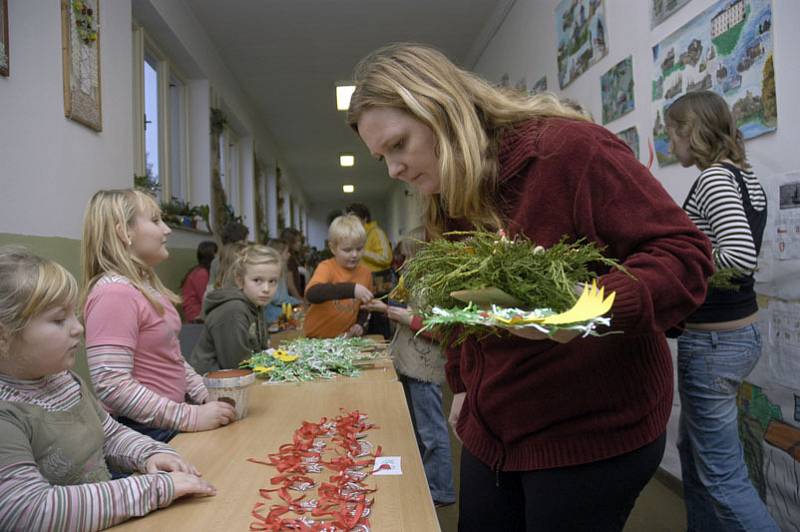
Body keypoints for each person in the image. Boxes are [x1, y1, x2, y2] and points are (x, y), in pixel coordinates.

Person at [347, 44, 713, 531]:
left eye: (398, 145)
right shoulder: (447, 195)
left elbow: (684, 258)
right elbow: (460, 309)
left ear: (441, 109)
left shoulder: (570, 149)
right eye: (381, 158)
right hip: (495, 425)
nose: (393, 169)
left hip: (591, 429)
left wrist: (584, 308)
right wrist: (462, 386)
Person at [0, 246, 216, 531]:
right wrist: (152, 490)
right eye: (57, 320)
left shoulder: (64, 380)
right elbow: (26, 510)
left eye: (73, 315)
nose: (78, 328)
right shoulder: (7, 413)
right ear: (4, 336)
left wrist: (149, 453)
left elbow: (109, 434)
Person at [666, 91, 777, 532]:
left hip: (715, 343)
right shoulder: (743, 176)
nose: (669, 141)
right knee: (694, 456)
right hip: (735, 336)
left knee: (723, 480)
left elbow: (739, 255)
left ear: (690, 131)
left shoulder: (713, 178)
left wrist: (679, 255)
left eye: (672, 131)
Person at [81, 189, 236, 443]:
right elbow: (112, 385)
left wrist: (204, 394)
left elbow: (171, 356)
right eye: (155, 221)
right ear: (124, 232)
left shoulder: (143, 286)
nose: (167, 230)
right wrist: (190, 417)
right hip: (141, 430)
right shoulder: (113, 293)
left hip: (164, 420)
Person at [365, 230, 456, 508]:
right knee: (418, 430)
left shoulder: (439, 285)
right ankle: (424, 482)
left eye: (407, 257)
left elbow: (443, 330)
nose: (402, 263)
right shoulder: (416, 281)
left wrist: (397, 314)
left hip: (425, 368)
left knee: (432, 432)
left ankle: (440, 490)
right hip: (410, 363)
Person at [188, 245, 279, 375]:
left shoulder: (255, 303)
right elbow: (237, 367)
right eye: (257, 280)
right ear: (240, 280)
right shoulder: (234, 311)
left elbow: (259, 351)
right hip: (211, 387)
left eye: (272, 281)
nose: (266, 288)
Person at [303, 214, 374, 339]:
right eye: (347, 250)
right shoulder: (326, 267)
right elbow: (311, 294)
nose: (354, 255)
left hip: (344, 338)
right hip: (316, 338)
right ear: (333, 248)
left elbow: (364, 306)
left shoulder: (365, 273)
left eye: (359, 249)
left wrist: (360, 324)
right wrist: (352, 289)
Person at [263, 239, 302, 325]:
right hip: (273, 316)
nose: (289, 254)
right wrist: (297, 302)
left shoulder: (282, 270)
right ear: (278, 254)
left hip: (280, 313)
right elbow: (278, 299)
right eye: (286, 252)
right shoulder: (271, 274)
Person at [207, 221, 249, 294]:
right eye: (246, 241)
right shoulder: (247, 259)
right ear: (241, 242)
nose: (247, 245)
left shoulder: (215, 261)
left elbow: (209, 290)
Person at [181, 240, 217, 323]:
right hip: (196, 315)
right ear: (211, 256)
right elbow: (206, 298)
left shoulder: (200, 271)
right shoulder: (202, 273)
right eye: (216, 253)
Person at [280, 227, 305, 300]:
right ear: (290, 242)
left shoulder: (293, 256)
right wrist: (300, 300)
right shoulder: (288, 259)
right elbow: (290, 285)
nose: (300, 243)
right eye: (297, 241)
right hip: (291, 299)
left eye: (300, 241)